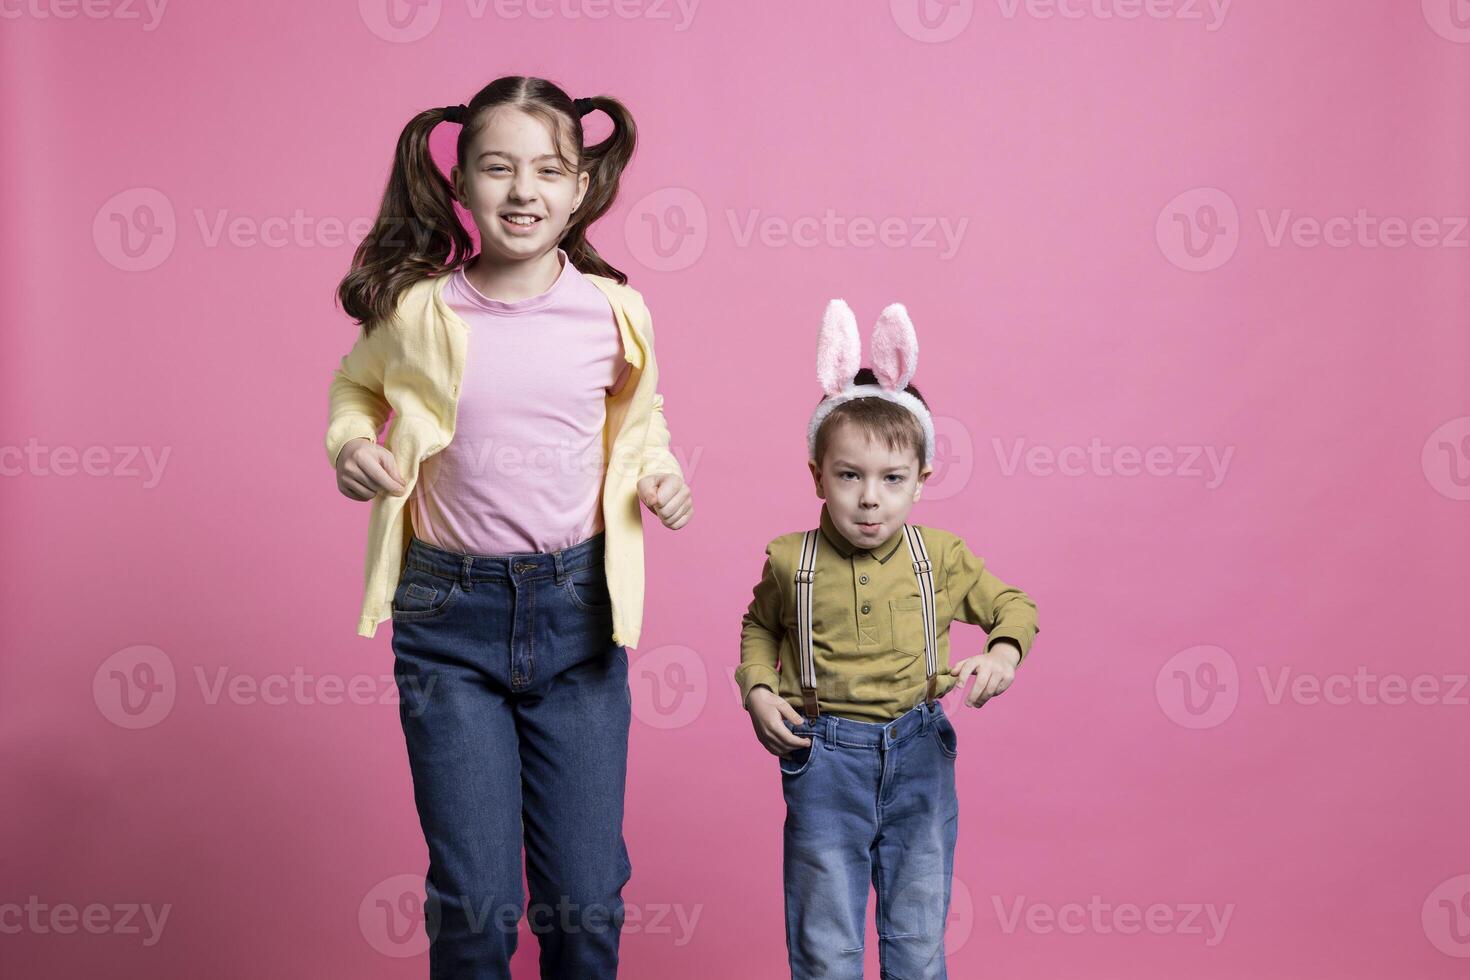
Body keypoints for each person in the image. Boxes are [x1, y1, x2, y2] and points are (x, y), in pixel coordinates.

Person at [324, 76, 692, 979]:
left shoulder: (614, 312)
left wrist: (659, 472)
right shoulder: (418, 310)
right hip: (449, 621)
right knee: (477, 904)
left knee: (585, 898)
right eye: (498, 168)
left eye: (548, 171)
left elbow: (641, 424)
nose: (523, 191)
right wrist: (348, 448)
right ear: (461, 183)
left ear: (580, 189)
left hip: (578, 618)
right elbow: (353, 390)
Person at [738, 299, 1039, 980]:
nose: (869, 499)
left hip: (917, 757)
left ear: (921, 483)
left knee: (916, 938)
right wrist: (758, 688)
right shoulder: (793, 559)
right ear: (817, 473)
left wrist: (1003, 651)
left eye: (891, 480)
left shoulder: (941, 555)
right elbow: (760, 626)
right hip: (824, 759)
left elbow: (1012, 606)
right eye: (850, 476)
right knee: (826, 943)